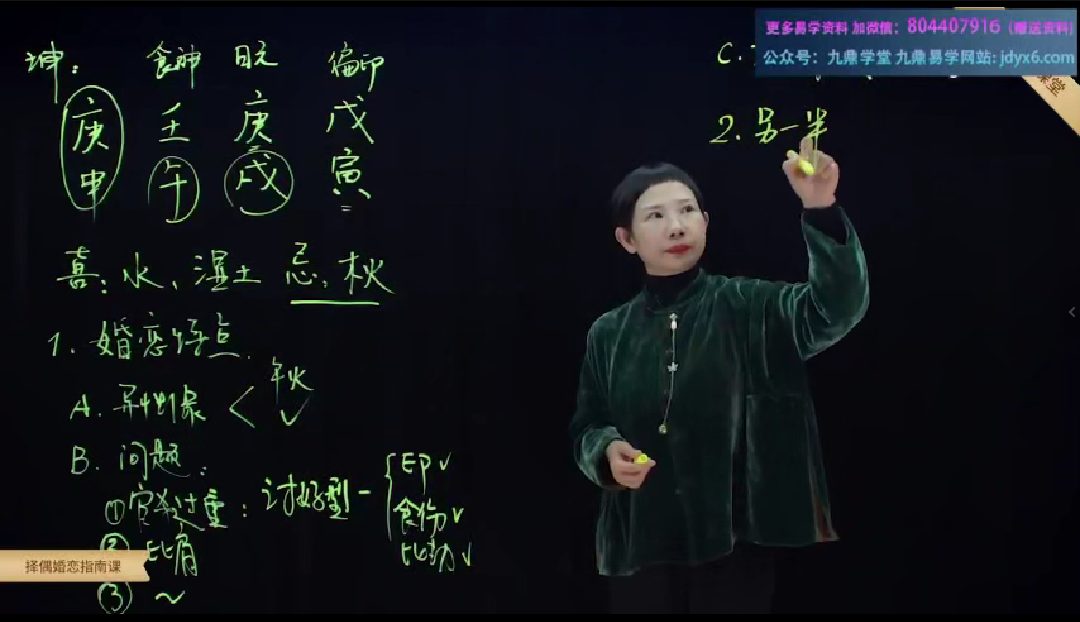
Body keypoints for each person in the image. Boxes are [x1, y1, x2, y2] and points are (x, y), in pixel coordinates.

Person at [568, 136, 870, 614]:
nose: (676, 226)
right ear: (627, 239)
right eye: (655, 216)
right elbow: (588, 424)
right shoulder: (608, 332)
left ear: (706, 222)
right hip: (641, 539)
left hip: (735, 536)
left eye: (687, 210)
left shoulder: (751, 306)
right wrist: (605, 452)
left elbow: (835, 308)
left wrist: (820, 208)